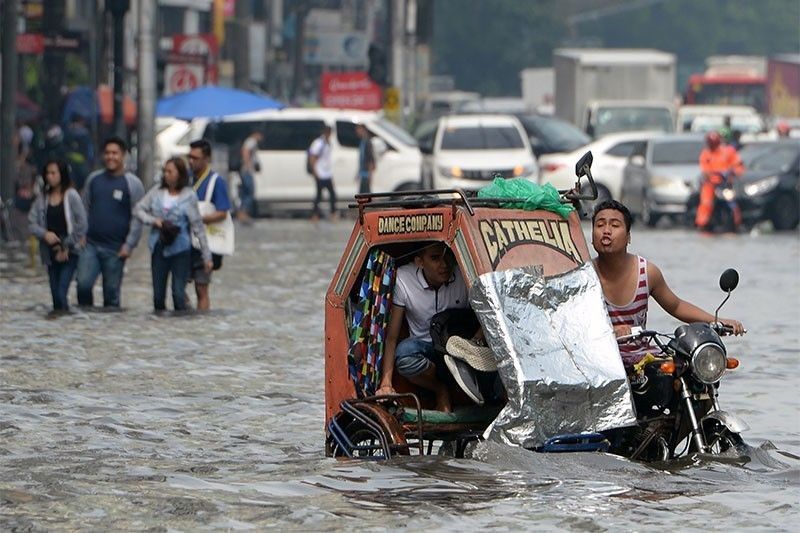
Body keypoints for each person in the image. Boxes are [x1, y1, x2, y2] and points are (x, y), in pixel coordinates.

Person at [591, 200, 744, 370]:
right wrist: (611, 330)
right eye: (600, 225)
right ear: (592, 236)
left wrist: (718, 321)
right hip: (601, 364)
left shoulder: (646, 272)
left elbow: (676, 305)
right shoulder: (585, 277)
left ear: (628, 237)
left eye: (614, 225)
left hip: (643, 360)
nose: (606, 231)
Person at [376, 243, 482, 412]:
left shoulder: (464, 276)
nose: (445, 265)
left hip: (461, 351)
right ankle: (440, 389)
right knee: (404, 354)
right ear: (419, 262)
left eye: (448, 257)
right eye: (435, 258)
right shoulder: (404, 279)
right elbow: (391, 337)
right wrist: (386, 383)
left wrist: (475, 342)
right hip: (425, 353)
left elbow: (487, 317)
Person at [134, 157, 212, 312]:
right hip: (158, 246)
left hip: (181, 250)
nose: (166, 174)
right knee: (158, 296)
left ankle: (181, 324)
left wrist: (206, 256)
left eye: (170, 171)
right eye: (165, 171)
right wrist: (153, 221)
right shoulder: (156, 192)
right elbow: (138, 209)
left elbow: (198, 226)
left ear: (180, 174)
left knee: (178, 293)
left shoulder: (189, 196)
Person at [76, 136, 144, 308]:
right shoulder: (94, 179)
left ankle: (110, 329)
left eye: (115, 153)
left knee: (111, 294)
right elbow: (84, 207)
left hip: (116, 249)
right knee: (83, 285)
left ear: (123, 155)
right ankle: (84, 321)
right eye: (107, 153)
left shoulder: (133, 184)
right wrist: (81, 234)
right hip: (90, 244)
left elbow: (138, 217)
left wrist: (129, 245)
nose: (110, 157)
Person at [28, 159, 87, 311]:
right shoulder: (42, 199)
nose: (50, 176)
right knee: (55, 298)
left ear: (62, 174)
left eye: (53, 173)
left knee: (61, 294)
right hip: (49, 252)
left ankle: (69, 324)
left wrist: (66, 245)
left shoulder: (71, 195)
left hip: (69, 251)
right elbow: (31, 223)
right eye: (47, 173)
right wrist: (44, 234)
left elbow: (82, 224)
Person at [187, 140, 232, 311]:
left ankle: (201, 318)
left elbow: (222, 212)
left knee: (201, 287)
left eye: (195, 158)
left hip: (205, 244)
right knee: (178, 285)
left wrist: (198, 219)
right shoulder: (186, 179)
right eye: (189, 157)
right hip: (185, 242)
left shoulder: (215, 182)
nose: (191, 161)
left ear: (206, 159)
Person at [695, 131, 744, 231]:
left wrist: (734, 172)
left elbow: (738, 165)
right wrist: (709, 175)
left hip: (725, 184)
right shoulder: (705, 154)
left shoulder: (728, 151)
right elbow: (704, 169)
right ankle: (702, 223)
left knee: (733, 202)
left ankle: (737, 222)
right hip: (710, 184)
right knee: (706, 202)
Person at [309, 125, 337, 221]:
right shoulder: (318, 143)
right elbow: (312, 157)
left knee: (332, 195)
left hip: (327, 173)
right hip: (320, 173)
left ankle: (333, 213)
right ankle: (315, 214)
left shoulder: (328, 143)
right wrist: (315, 172)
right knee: (318, 196)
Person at [238, 131, 262, 223]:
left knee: (245, 192)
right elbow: (245, 151)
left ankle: (242, 213)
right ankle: (243, 213)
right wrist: (248, 165)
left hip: (246, 170)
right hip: (247, 171)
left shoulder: (250, 141)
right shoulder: (251, 141)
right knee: (249, 192)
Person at [355, 123, 376, 194]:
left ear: (363, 130)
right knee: (363, 196)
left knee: (365, 196)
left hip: (366, 174)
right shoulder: (363, 141)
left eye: (358, 129)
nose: (357, 131)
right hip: (363, 174)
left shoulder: (367, 142)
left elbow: (370, 159)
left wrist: (370, 175)